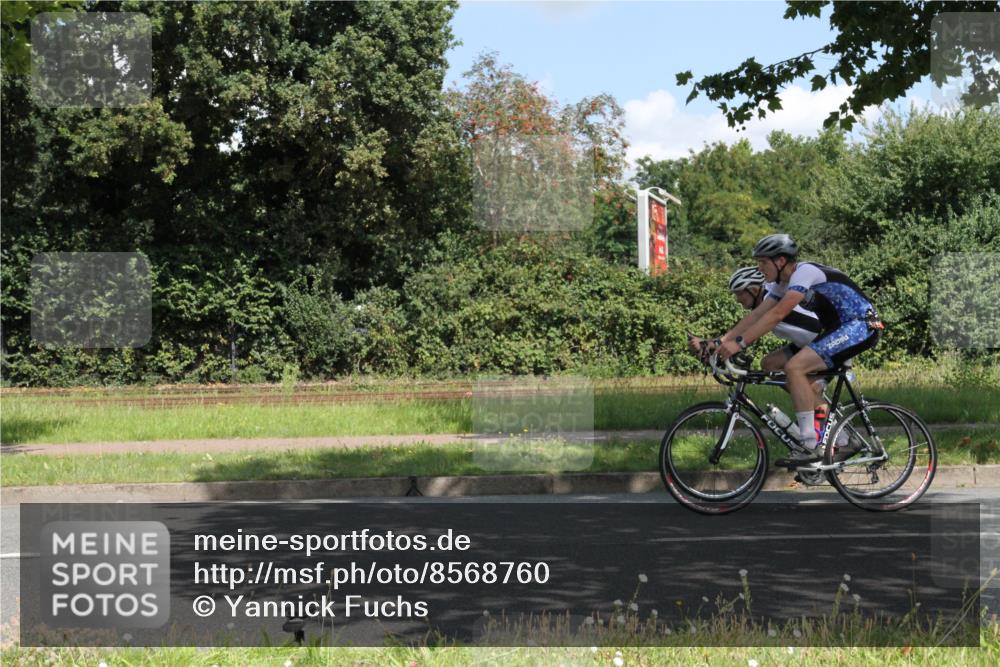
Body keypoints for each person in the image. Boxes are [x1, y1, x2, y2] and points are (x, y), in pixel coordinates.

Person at [714, 234, 883, 466]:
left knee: (794, 367)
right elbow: (757, 315)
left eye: (763, 262)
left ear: (781, 260)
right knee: (772, 365)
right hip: (837, 329)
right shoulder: (780, 284)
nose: (759, 268)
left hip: (860, 325)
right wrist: (720, 343)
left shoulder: (804, 273)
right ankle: (844, 439)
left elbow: (776, 315)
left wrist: (739, 344)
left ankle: (809, 443)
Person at [690, 266, 830, 441]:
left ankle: (821, 423)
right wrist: (715, 344)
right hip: (806, 344)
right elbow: (744, 328)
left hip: (825, 341)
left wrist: (717, 343)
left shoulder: (770, 302)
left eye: (740, 293)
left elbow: (748, 330)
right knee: (769, 364)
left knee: (801, 381)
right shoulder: (764, 304)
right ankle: (816, 411)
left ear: (755, 290)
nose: (738, 299)